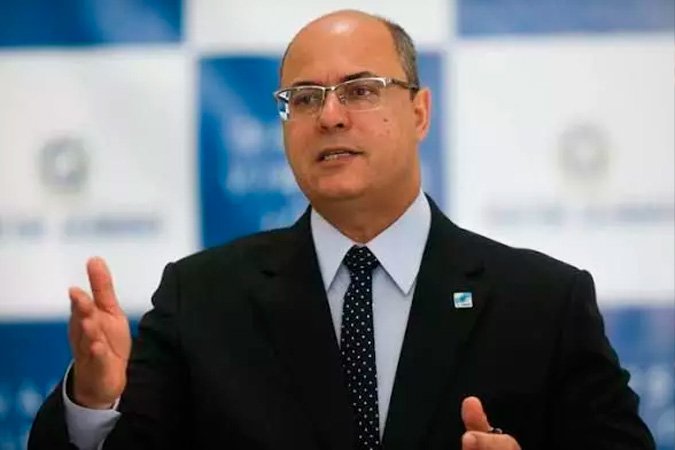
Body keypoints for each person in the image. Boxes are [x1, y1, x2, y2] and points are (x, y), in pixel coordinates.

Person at [28, 9, 654, 450]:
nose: (329, 116)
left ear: (419, 112)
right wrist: (94, 402)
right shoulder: (202, 300)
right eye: (303, 98)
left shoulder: (543, 302)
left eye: (360, 90)